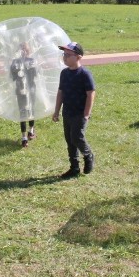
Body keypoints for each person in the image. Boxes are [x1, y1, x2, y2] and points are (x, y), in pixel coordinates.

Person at [52, 42, 96, 178]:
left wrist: (86, 114)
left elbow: (91, 94)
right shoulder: (64, 73)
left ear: (78, 57)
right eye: (64, 55)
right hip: (67, 112)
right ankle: (74, 167)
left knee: (77, 137)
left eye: (68, 55)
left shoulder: (84, 74)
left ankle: (88, 155)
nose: (65, 58)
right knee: (69, 140)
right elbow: (61, 92)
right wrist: (56, 111)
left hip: (80, 113)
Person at [10, 42, 38, 148]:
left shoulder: (14, 62)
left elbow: (12, 77)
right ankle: (31, 131)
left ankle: (24, 138)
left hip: (20, 89)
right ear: (28, 51)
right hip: (31, 89)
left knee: (22, 112)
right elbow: (35, 75)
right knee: (31, 109)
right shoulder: (32, 61)